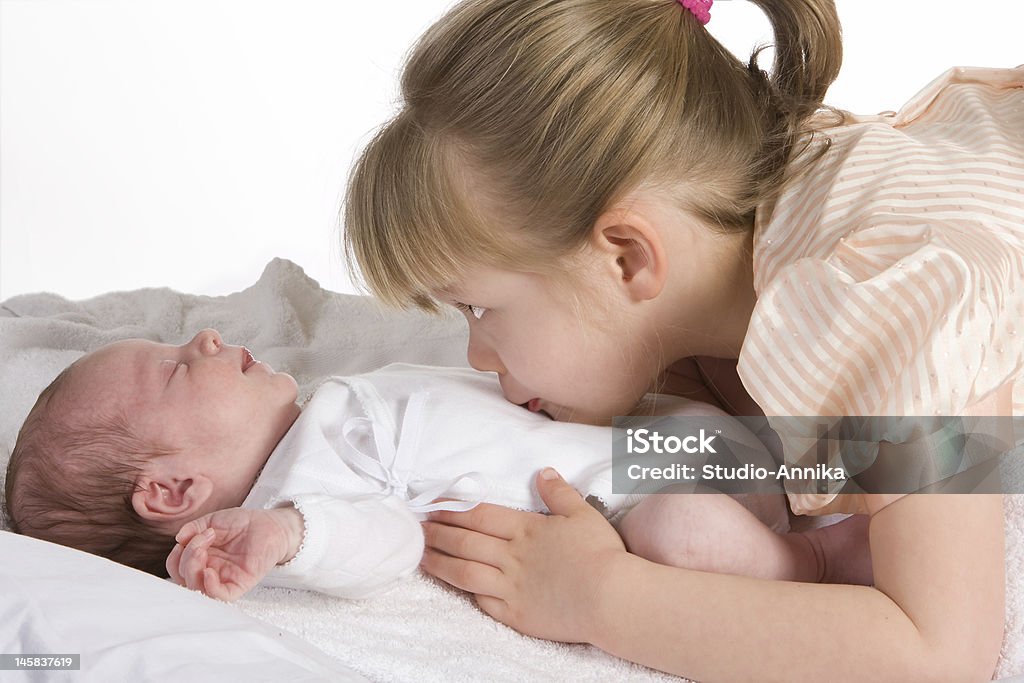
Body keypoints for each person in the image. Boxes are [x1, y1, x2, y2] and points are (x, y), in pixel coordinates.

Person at [343, 0, 1022, 678]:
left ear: (627, 259)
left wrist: (599, 597)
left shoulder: (889, 300)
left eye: (479, 308)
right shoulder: (727, 244)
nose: (474, 357)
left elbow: (937, 651)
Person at [4, 329, 862, 602]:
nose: (206, 336)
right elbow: (382, 542)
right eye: (175, 366)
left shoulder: (326, 409)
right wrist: (285, 535)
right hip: (638, 499)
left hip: (658, 440)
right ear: (173, 491)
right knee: (687, 527)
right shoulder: (304, 489)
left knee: (740, 383)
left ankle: (933, 465)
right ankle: (817, 559)